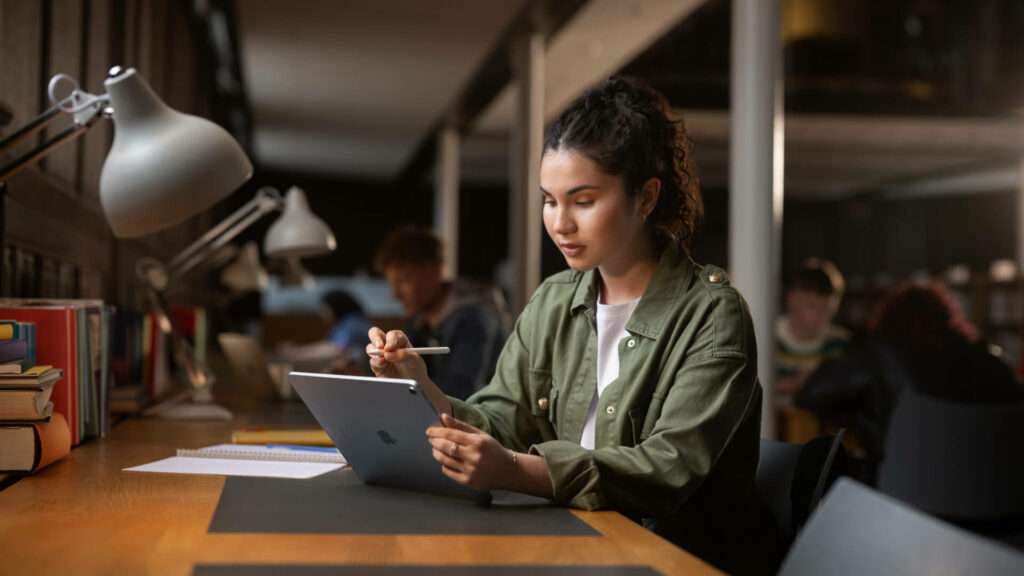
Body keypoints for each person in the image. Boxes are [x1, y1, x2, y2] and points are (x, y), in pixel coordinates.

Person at [367, 78, 780, 575]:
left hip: (672, 562)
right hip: (573, 548)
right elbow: (503, 420)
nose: (560, 223)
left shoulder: (713, 315)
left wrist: (517, 470)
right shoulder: (554, 299)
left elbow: (667, 469)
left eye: (582, 201)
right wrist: (421, 387)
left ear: (646, 197)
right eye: (549, 200)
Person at [796, 280, 1024, 480]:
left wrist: (856, 416)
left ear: (889, 319)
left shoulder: (877, 356)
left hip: (905, 495)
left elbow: (809, 395)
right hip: (997, 500)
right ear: (948, 317)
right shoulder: (990, 360)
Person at [374, 227, 507, 400]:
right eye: (392, 283)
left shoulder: (474, 319)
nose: (395, 294)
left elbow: (460, 393)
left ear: (434, 270)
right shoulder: (420, 320)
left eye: (403, 281)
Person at [775, 258, 851, 395]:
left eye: (826, 308)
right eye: (812, 305)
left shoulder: (840, 344)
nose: (820, 315)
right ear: (791, 299)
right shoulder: (767, 340)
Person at [275, 289, 371, 374]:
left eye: (324, 308)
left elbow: (334, 349)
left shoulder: (353, 323)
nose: (322, 314)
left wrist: (296, 352)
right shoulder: (347, 322)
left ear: (334, 307)